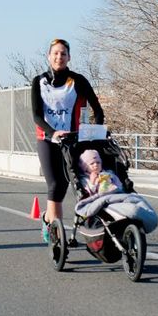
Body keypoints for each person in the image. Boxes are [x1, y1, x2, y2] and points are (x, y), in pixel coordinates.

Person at [31, 38, 105, 243]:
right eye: (55, 53)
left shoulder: (78, 81)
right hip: (47, 139)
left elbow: (98, 109)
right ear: (49, 56)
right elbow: (36, 115)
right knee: (55, 184)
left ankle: (49, 219)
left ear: (69, 57)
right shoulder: (39, 82)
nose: (59, 57)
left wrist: (96, 133)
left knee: (67, 185)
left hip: (73, 141)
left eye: (63, 53)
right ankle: (57, 234)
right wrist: (53, 132)